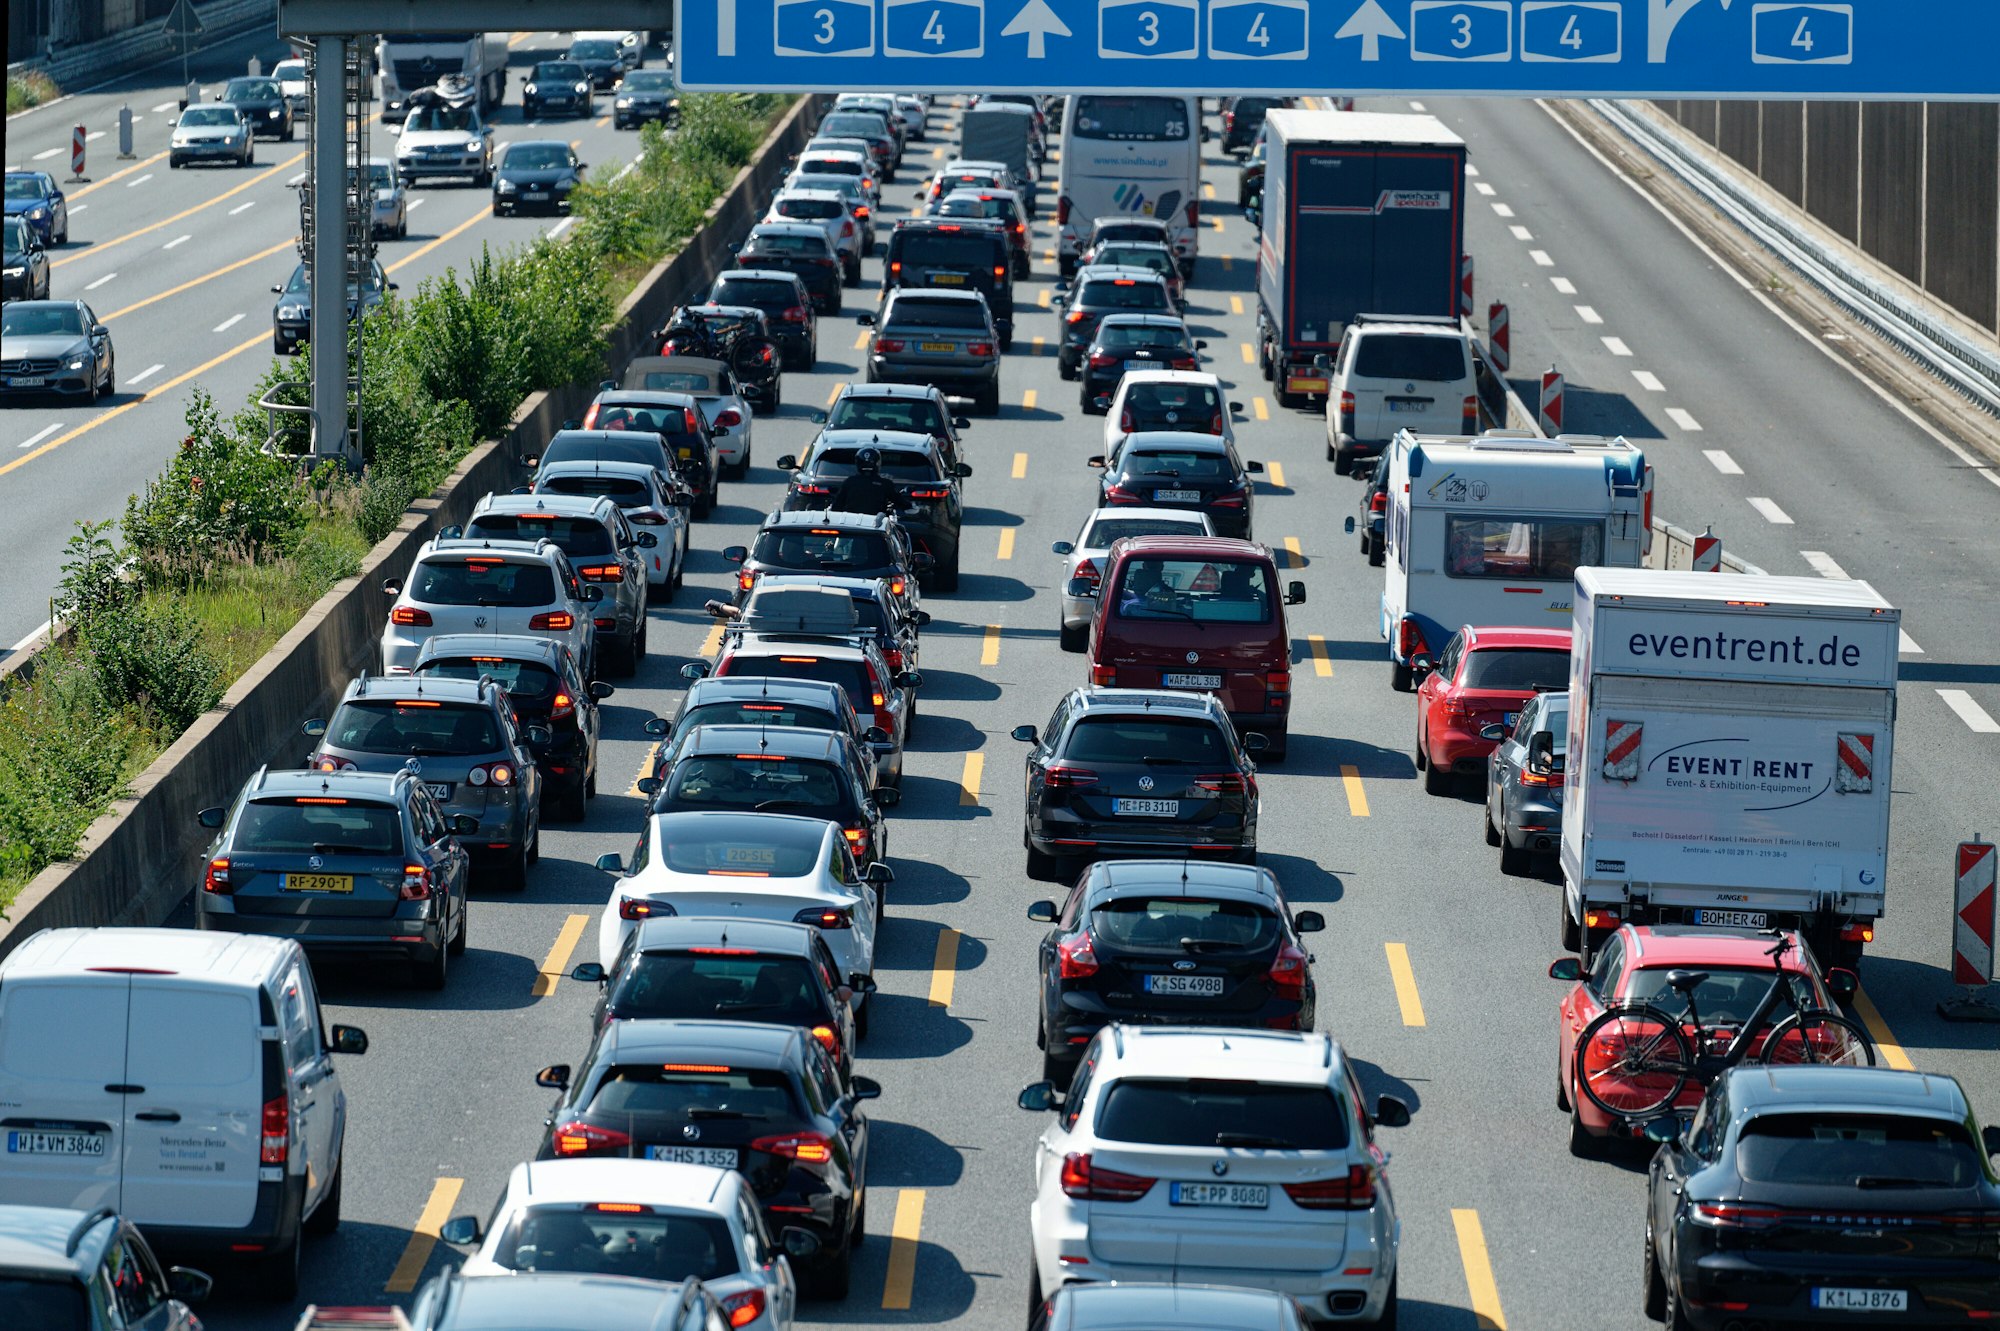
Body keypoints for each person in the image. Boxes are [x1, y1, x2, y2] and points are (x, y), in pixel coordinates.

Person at [830, 446, 901, 515]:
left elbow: (836, 507)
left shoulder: (849, 482)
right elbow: (901, 503)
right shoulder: (885, 484)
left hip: (851, 523)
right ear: (877, 463)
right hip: (876, 525)